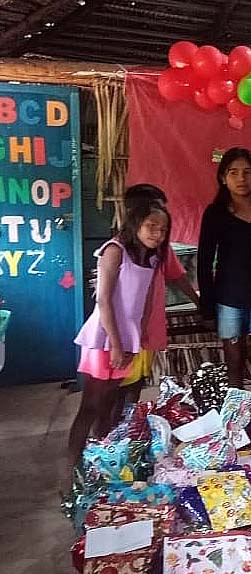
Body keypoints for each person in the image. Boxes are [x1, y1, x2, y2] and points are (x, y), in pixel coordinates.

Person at [70, 199, 170, 476]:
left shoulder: (150, 258)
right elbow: (103, 300)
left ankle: (100, 465)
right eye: (151, 226)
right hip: (105, 338)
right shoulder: (115, 251)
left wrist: (137, 340)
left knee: (110, 405)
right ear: (135, 223)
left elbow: (145, 304)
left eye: (162, 230)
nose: (157, 234)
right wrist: (115, 343)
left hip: (128, 340)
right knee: (90, 406)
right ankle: (71, 469)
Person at [110, 185, 199, 426]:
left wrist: (198, 303)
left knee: (136, 383)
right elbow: (105, 299)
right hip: (124, 333)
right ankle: (109, 437)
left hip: (147, 329)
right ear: (135, 213)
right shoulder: (117, 251)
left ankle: (127, 433)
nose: (160, 215)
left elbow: (177, 275)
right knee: (114, 390)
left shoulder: (159, 249)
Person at [198, 148, 251, 387]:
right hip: (228, 299)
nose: (241, 179)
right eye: (234, 172)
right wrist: (207, 307)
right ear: (223, 177)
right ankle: (236, 415)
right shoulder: (215, 213)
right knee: (234, 364)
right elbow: (204, 262)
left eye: (248, 172)